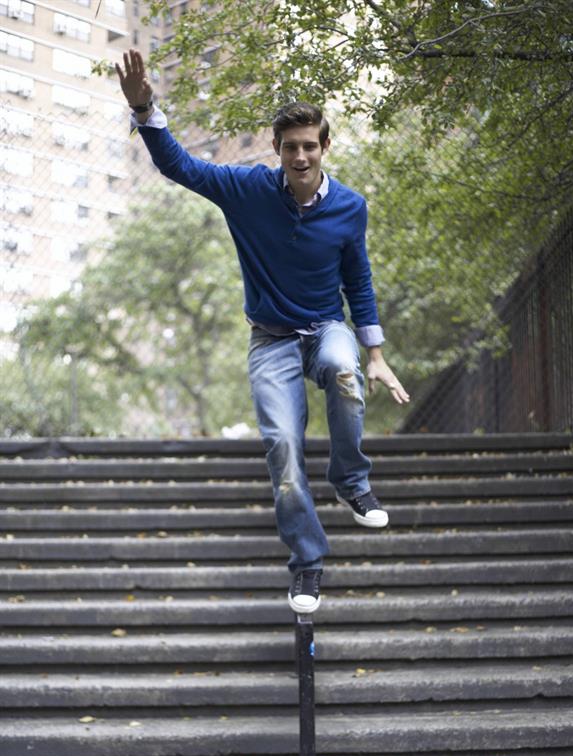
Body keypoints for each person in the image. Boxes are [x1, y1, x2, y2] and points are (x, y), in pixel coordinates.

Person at [115, 49, 410, 616]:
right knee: (281, 448)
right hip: (271, 337)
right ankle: (307, 563)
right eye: (290, 146)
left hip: (327, 327)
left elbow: (359, 279)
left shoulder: (350, 207)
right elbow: (180, 166)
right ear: (277, 151)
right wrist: (145, 108)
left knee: (346, 373)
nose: (301, 155)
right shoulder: (247, 190)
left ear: (325, 148)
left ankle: (351, 479)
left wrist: (375, 352)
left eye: (310, 145)